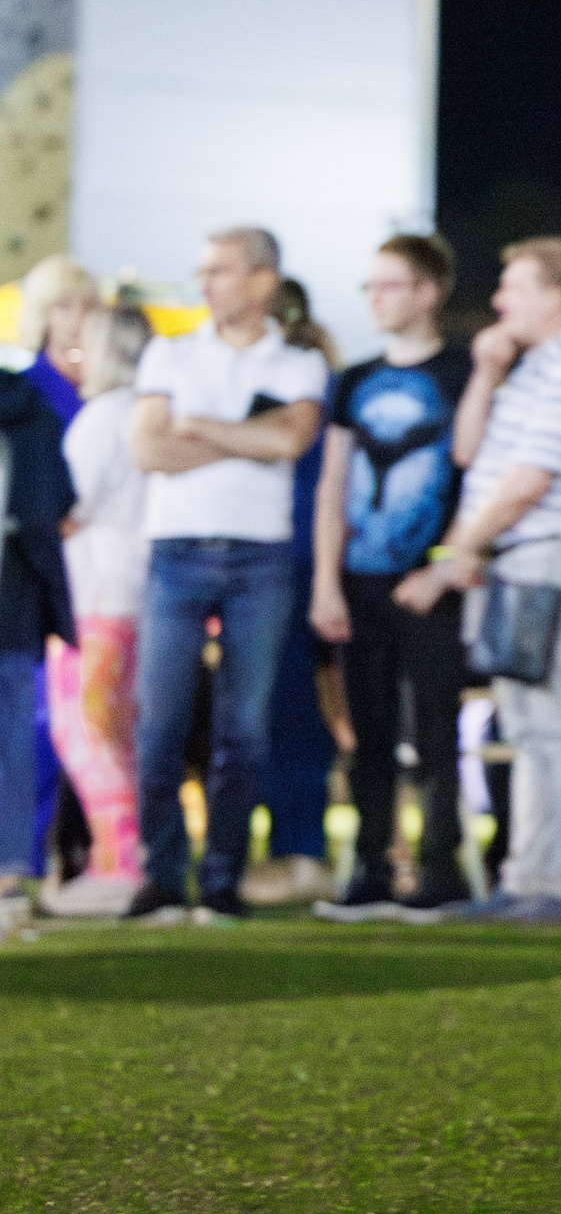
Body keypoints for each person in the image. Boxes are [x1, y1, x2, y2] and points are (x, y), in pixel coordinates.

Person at [399, 236, 561, 923]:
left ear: (554, 294)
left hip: (550, 553)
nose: (498, 302)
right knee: (531, 723)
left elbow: (529, 481)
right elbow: (472, 453)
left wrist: (450, 559)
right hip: (520, 557)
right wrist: (487, 372)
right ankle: (529, 881)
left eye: (512, 286)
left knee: (555, 721)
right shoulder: (539, 367)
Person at [126, 228, 329, 920]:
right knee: (160, 724)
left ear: (264, 279)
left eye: (220, 269)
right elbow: (148, 448)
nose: (205, 281)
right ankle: (161, 876)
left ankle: (221, 881)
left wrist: (201, 427)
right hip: (176, 554)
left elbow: (289, 440)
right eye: (202, 268)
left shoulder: (298, 363)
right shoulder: (170, 351)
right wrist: (245, 440)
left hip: (259, 561)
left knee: (243, 729)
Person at [310, 234, 474, 918]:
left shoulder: (463, 373)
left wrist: (448, 565)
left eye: (391, 285)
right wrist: (326, 579)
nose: (376, 298)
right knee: (369, 735)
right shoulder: (353, 381)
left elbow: (474, 469)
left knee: (436, 730)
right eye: (370, 287)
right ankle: (371, 866)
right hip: (362, 578)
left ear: (429, 291)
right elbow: (334, 483)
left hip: (432, 579)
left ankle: (441, 867)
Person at [40, 296, 153, 917]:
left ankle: (120, 862)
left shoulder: (100, 420)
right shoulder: (149, 412)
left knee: (88, 729)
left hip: (94, 595)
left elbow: (67, 507)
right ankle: (133, 859)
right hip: (136, 593)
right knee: (121, 729)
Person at [242, 276, 343, 907]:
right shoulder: (322, 382)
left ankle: (299, 851)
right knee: (291, 715)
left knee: (286, 716)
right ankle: (296, 849)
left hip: (287, 561)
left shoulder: (286, 387)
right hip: (299, 561)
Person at [0, 355, 76, 927]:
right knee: (11, 741)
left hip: (14, 601)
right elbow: (56, 504)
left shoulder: (30, 412)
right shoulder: (33, 409)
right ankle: (9, 878)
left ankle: (7, 880)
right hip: (16, 599)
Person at [16, 251, 93, 425]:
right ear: (41, 314)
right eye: (64, 306)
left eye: (88, 305)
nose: (78, 318)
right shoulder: (24, 391)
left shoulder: (111, 383)